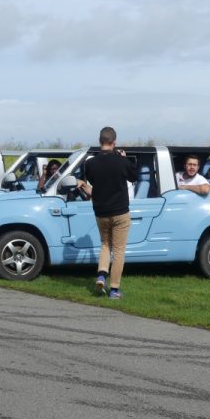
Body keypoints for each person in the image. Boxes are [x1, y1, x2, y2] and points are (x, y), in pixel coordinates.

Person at [79, 127, 137, 299]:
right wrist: (124, 159)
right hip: (120, 211)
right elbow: (133, 177)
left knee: (105, 244)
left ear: (100, 141)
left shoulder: (90, 164)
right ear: (114, 142)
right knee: (119, 250)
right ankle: (114, 289)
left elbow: (93, 182)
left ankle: (101, 275)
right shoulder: (121, 161)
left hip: (101, 212)